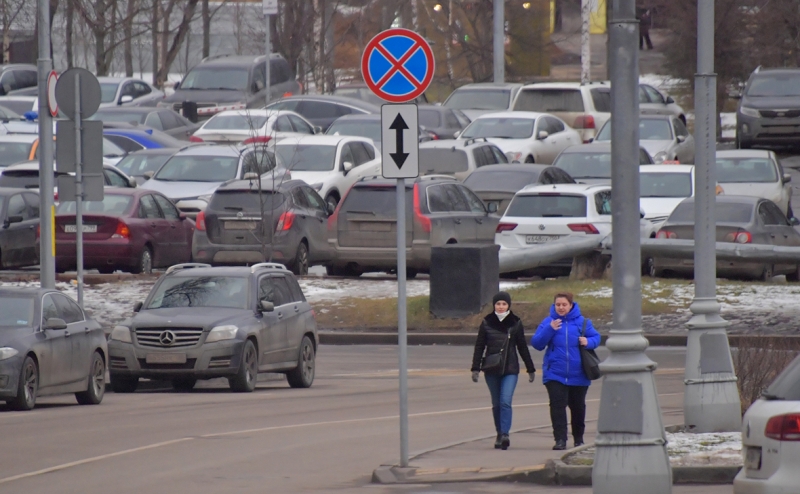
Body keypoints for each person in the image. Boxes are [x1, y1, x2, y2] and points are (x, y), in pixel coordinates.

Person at [531, 292, 601, 451]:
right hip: (555, 374)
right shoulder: (549, 322)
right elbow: (537, 343)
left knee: (578, 407)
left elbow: (596, 338)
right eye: (558, 305)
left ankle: (579, 440)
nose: (561, 308)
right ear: (554, 305)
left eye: (564, 305)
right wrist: (550, 329)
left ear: (571, 305)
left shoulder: (583, 322)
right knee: (557, 407)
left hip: (579, 374)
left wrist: (588, 341)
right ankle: (560, 440)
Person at [471, 291, 536, 451]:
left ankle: (506, 434)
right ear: (494, 305)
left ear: (508, 305)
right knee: (496, 403)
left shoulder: (515, 322)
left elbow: (522, 346)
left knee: (505, 401)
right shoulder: (487, 322)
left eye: (504, 304)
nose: (501, 307)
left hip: (510, 368)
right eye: (498, 304)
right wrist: (475, 367)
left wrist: (530, 367)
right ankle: (499, 433)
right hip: (491, 368)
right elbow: (479, 346)